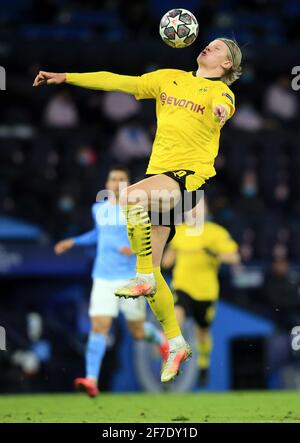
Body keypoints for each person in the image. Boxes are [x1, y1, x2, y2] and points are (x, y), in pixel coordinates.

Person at [33, 38, 242, 382]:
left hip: (186, 179)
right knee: (157, 271)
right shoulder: (168, 78)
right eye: (210, 44)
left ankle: (142, 275)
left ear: (227, 66)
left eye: (218, 48)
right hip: (160, 177)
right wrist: (67, 76)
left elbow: (225, 104)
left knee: (125, 198)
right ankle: (175, 342)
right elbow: (116, 79)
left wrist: (221, 111)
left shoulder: (222, 93)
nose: (209, 47)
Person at [54, 166, 168, 397]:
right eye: (113, 178)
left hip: (129, 278)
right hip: (103, 277)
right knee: (99, 326)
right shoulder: (99, 209)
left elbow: (152, 236)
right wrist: (74, 242)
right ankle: (91, 380)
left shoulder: (136, 209)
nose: (116, 183)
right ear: (107, 184)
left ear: (128, 185)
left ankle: (160, 340)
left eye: (121, 179)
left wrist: (135, 249)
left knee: (136, 331)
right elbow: (99, 235)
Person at [162, 202, 240, 385]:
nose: (195, 211)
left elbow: (235, 256)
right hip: (182, 286)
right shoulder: (179, 231)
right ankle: (168, 364)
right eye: (192, 207)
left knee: (202, 332)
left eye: (200, 207)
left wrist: (215, 253)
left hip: (206, 291)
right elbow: (166, 262)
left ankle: (203, 362)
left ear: (207, 210)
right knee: (175, 320)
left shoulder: (216, 232)